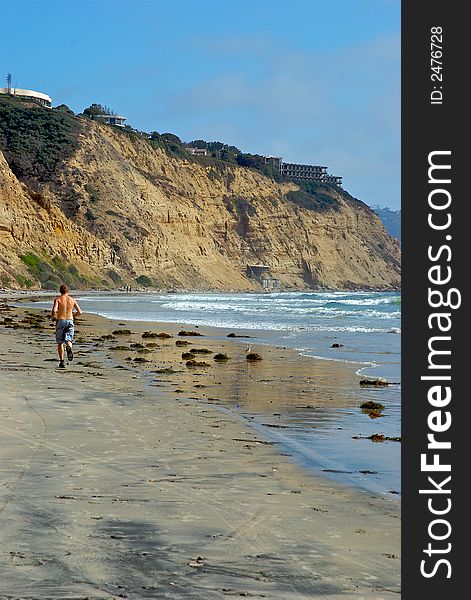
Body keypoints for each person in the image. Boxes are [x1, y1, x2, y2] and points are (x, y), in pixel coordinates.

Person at [50, 284, 82, 369]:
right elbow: (80, 312)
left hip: (61, 320)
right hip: (70, 320)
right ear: (67, 291)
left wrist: (53, 317)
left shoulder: (58, 299)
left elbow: (54, 310)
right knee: (69, 339)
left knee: (60, 342)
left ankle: (62, 361)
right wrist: (73, 316)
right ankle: (69, 346)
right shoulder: (72, 300)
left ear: (60, 291)